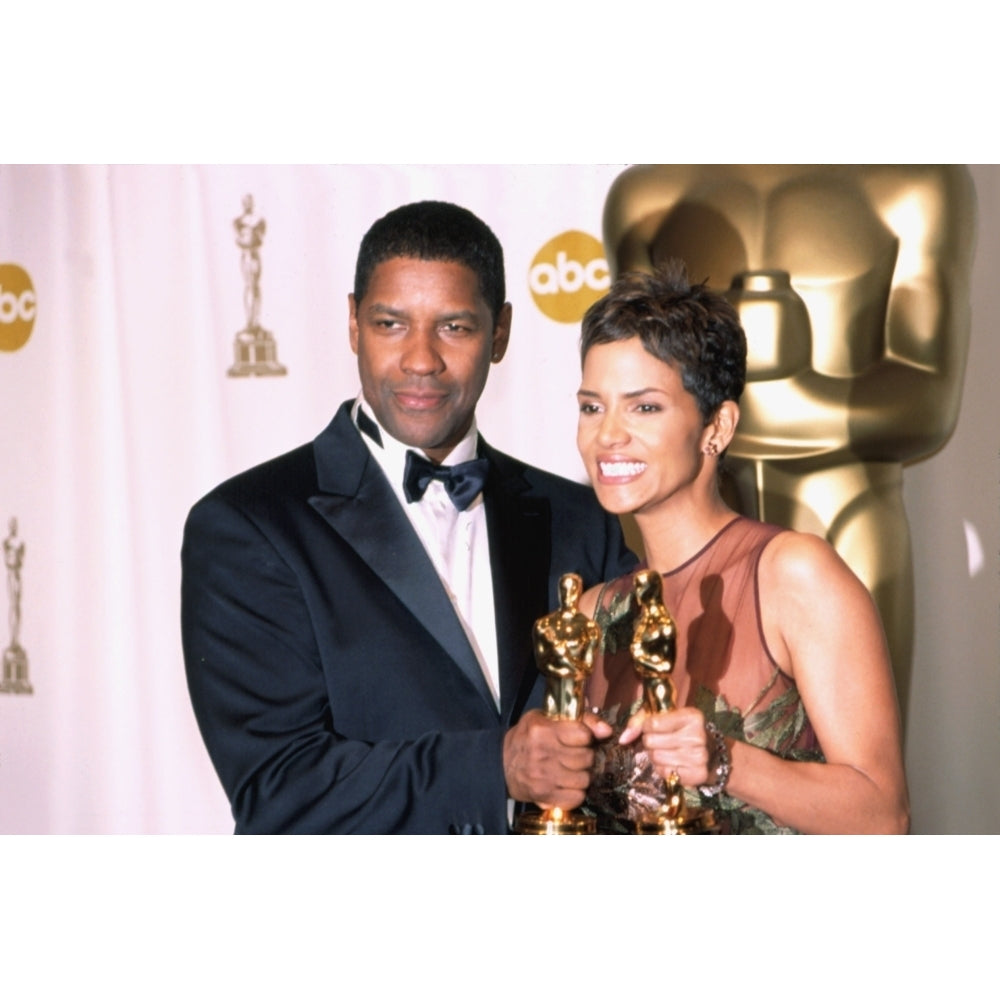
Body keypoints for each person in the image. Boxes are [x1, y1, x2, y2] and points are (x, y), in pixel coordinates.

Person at [181, 200, 636, 834]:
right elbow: (278, 789)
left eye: (454, 327)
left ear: (500, 332)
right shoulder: (247, 526)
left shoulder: (582, 519)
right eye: (391, 324)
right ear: (352, 324)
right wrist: (494, 766)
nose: (421, 360)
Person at [601, 165, 976, 718]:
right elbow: (628, 387)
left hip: (849, 517)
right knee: (666, 768)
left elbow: (926, 404)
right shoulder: (647, 195)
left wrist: (790, 388)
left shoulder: (915, 183)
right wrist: (793, 390)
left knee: (858, 774)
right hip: (682, 531)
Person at [574, 261, 909, 834]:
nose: (607, 434)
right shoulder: (591, 614)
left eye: (644, 406)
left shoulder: (791, 575)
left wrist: (726, 760)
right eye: (591, 406)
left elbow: (883, 815)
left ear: (718, 427)